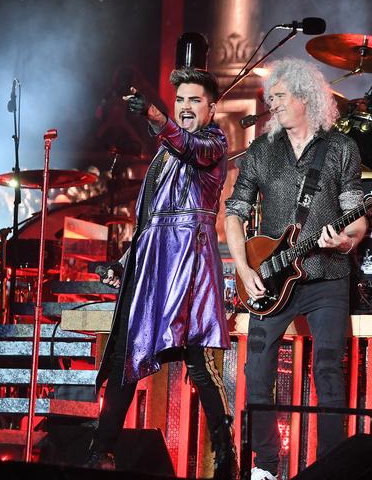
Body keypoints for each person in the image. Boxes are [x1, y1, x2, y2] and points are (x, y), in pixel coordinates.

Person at [85, 68, 237, 479]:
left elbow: (189, 146)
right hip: (152, 260)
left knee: (199, 360)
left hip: (188, 256)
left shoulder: (213, 142)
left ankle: (226, 458)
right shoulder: (164, 154)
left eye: (195, 100)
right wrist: (123, 262)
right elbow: (150, 217)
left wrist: (154, 117)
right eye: (181, 100)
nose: (186, 107)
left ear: (211, 107)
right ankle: (102, 451)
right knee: (125, 353)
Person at [225, 58, 368, 480]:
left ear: (305, 96)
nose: (273, 103)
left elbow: (355, 218)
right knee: (257, 370)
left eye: (281, 96)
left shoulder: (340, 148)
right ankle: (265, 466)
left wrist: (346, 239)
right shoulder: (262, 150)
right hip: (269, 277)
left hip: (327, 277)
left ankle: (330, 468)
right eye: (271, 97)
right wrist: (242, 266)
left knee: (327, 370)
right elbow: (234, 211)